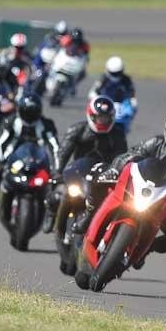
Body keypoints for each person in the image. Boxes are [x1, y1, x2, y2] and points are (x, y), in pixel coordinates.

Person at [71, 111, 166, 266]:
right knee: (98, 175)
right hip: (137, 189)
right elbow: (130, 155)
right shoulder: (156, 143)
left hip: (165, 204)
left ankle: (148, 247)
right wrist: (115, 170)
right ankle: (88, 217)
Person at [43, 96, 128, 231]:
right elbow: (62, 152)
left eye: (106, 118)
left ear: (112, 117)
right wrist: (57, 171)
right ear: (92, 116)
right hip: (77, 171)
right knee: (56, 194)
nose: (103, 121)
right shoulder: (77, 129)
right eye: (100, 117)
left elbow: (122, 157)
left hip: (103, 174)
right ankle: (51, 213)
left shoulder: (117, 133)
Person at [0, 92, 59, 214]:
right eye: (27, 112)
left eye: (33, 113)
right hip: (15, 158)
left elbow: (55, 147)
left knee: (54, 180)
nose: (30, 116)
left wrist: (56, 169)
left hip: (38, 159)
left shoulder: (46, 124)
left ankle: (50, 207)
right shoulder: (11, 121)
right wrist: (0, 162)